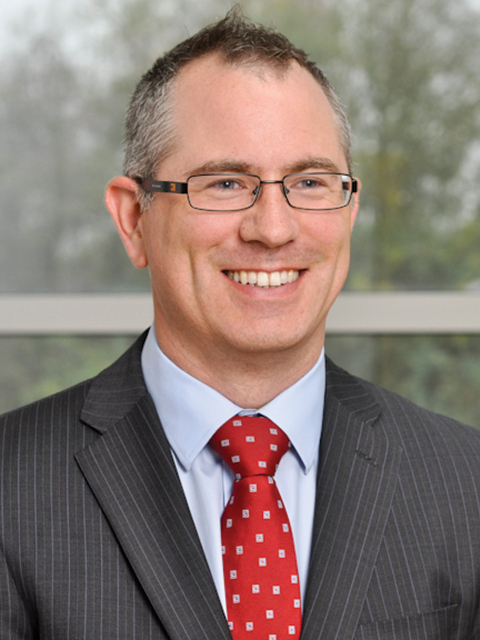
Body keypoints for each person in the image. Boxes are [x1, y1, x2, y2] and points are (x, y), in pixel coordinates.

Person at [1, 8, 479, 640]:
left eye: (310, 182)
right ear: (134, 219)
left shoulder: (466, 481)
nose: (273, 229)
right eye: (226, 183)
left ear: (350, 210)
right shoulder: (10, 485)